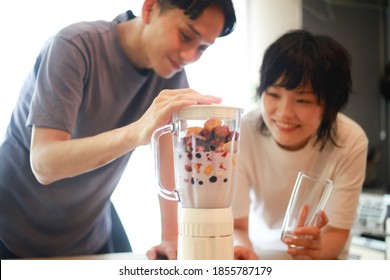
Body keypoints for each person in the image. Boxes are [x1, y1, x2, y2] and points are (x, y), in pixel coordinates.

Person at [0, 0, 236, 259]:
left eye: (202, 47)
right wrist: (136, 132)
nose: (189, 56)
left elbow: (171, 162)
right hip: (11, 228)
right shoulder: (73, 46)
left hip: (88, 230)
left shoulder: (171, 73)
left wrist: (170, 238)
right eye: (185, 35)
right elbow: (44, 164)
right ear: (150, 8)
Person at [232, 30, 368, 260]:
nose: (284, 113)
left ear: (330, 106)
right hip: (259, 256)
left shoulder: (351, 140)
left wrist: (314, 251)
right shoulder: (243, 132)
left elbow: (336, 233)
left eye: (303, 100)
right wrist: (244, 254)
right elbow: (237, 226)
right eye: (273, 94)